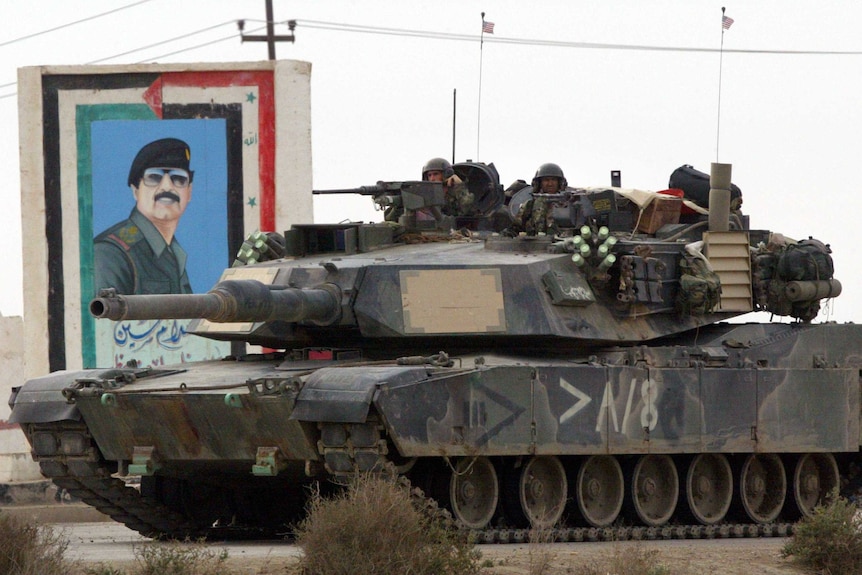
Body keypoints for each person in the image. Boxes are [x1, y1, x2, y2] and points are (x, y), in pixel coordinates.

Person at [94, 137, 194, 295]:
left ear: (189, 192)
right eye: (154, 177)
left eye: (178, 178)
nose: (167, 186)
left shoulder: (174, 254)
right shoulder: (110, 253)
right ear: (135, 191)